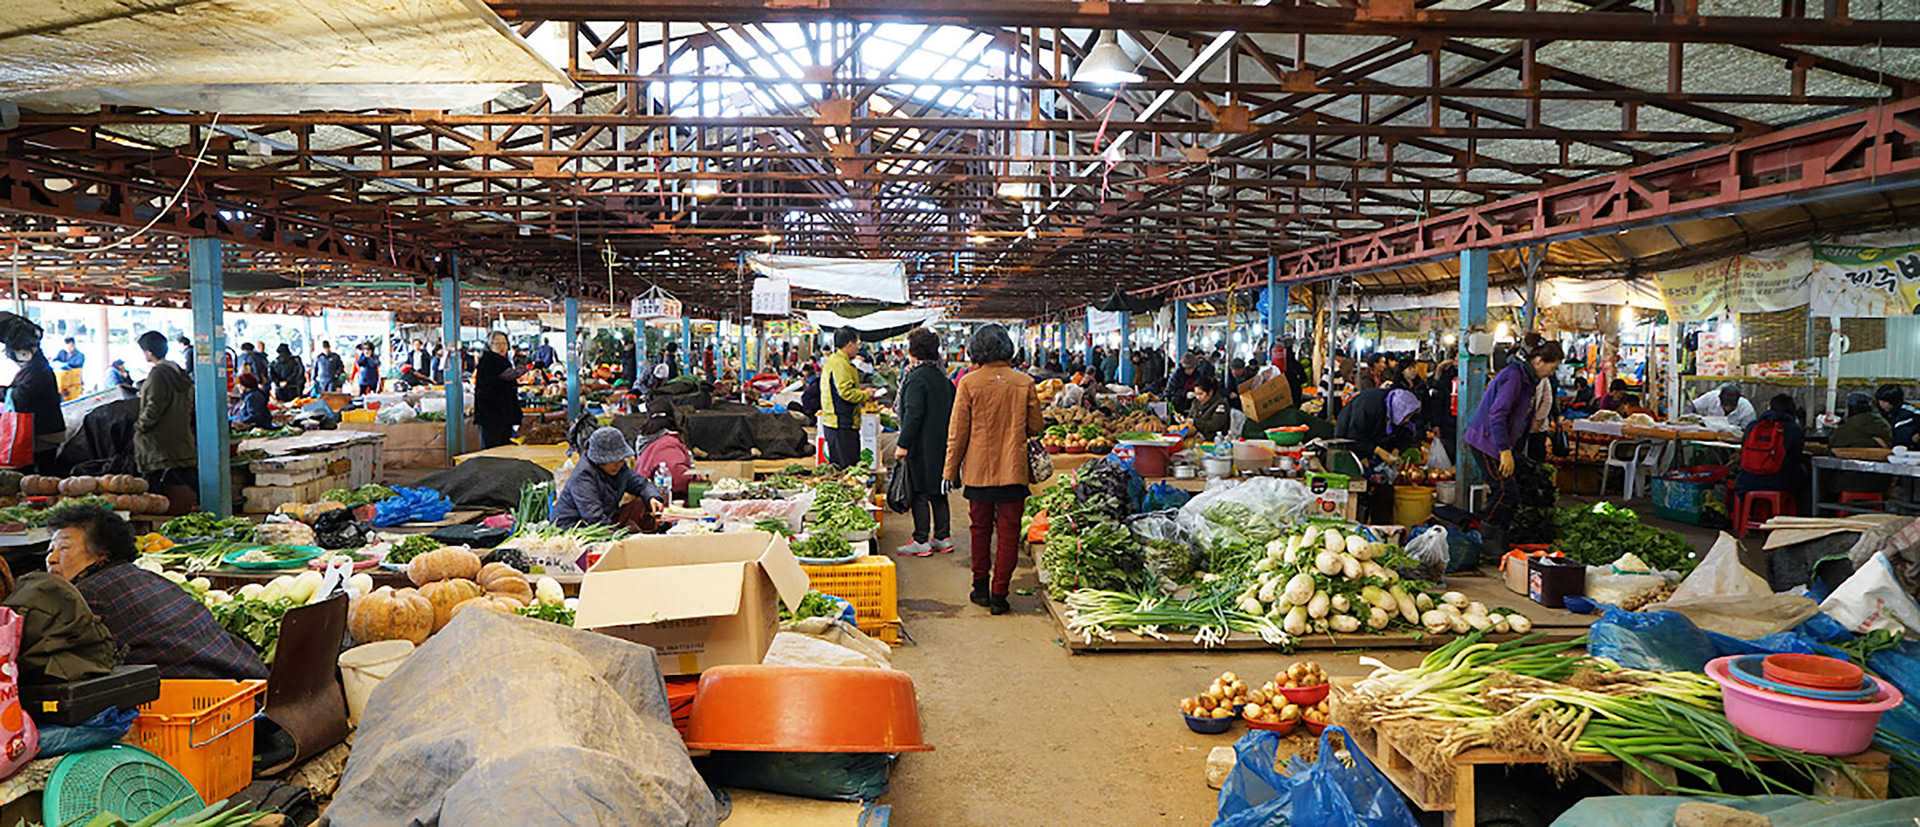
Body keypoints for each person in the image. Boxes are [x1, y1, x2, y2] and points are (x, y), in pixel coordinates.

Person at [45, 504, 265, 679]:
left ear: (102, 554)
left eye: (64, 548)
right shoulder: (141, 576)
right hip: (252, 684)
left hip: (212, 702)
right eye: (50, 549)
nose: (51, 559)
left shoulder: (88, 595)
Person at [943, 324, 1042, 616]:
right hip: (1013, 469)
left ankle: (980, 588)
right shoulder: (1024, 382)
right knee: (1009, 532)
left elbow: (958, 433)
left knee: (980, 529)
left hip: (979, 471)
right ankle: (1000, 594)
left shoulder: (969, 383)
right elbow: (1036, 426)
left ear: (976, 350)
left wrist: (950, 471)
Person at [1463, 334, 1564, 555]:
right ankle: (1484, 539)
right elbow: (1497, 415)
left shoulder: (1527, 378)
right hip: (1488, 441)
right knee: (1505, 491)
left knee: (1507, 491)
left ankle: (1495, 540)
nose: (1552, 372)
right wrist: (1504, 451)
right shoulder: (1515, 376)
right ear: (1538, 361)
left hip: (1499, 442)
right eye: (1552, 367)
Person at [894, 328, 955, 557]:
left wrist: (903, 444)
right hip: (941, 445)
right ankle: (942, 537)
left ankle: (920, 540)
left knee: (919, 491)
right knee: (939, 491)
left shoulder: (916, 378)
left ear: (913, 351)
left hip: (921, 446)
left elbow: (914, 414)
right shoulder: (943, 379)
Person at [551, 427, 667, 530]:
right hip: (575, 526)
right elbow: (594, 517)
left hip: (608, 517)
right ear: (598, 461)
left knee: (641, 503)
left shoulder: (621, 468)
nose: (618, 465)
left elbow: (641, 484)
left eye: (621, 460)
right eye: (613, 461)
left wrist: (652, 497)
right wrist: (617, 536)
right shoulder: (583, 476)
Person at [134, 332, 195, 507]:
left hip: (158, 438)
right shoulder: (178, 372)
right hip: (178, 434)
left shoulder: (158, 374)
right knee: (183, 474)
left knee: (153, 482)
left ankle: (156, 512)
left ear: (149, 352)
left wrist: (141, 426)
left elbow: (154, 405)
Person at [0, 315, 63, 473]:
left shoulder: (36, 370)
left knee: (39, 477)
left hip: (42, 435)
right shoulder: (36, 366)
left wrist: (3, 392)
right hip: (43, 431)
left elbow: (21, 397)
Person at [1734, 394, 1806, 498]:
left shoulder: (1753, 426)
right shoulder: (1794, 429)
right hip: (1779, 484)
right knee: (1804, 472)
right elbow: (1796, 457)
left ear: (1770, 407)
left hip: (1745, 482)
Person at [819, 329, 871, 469]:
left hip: (838, 423)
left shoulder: (836, 361)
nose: (858, 348)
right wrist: (867, 395)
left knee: (842, 468)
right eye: (857, 344)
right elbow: (845, 393)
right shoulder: (840, 363)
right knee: (847, 469)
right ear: (849, 344)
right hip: (841, 424)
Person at [1336, 387, 1423, 467]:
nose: (1407, 420)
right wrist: (1377, 451)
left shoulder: (1394, 411)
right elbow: (1355, 435)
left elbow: (1403, 433)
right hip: (1348, 438)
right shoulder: (1368, 408)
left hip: (1370, 441)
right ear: (1398, 412)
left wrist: (1396, 450)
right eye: (1406, 417)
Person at [1831, 391, 1894, 497]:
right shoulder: (1883, 425)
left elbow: (1831, 450)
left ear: (1849, 408)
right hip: (1881, 482)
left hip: (1849, 483)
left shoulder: (1845, 428)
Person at [474, 330, 525, 450]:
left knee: (503, 445)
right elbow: (506, 375)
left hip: (502, 412)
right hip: (492, 413)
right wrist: (522, 369)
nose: (501, 346)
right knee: (493, 447)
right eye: (497, 343)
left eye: (504, 343)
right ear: (489, 345)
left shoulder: (502, 360)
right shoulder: (489, 360)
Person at [633, 399, 695, 498]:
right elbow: (677, 477)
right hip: (663, 499)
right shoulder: (667, 444)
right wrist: (697, 479)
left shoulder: (647, 440)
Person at [1689, 383, 1756, 429]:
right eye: (1725, 405)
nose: (1728, 408)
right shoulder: (1711, 397)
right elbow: (1691, 406)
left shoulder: (1747, 409)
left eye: (1732, 406)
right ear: (1719, 398)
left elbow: (1748, 430)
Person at [1875, 384, 1920, 450]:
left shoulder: (1911, 412)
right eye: (1880, 401)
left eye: (1885, 401)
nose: (1881, 404)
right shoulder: (1880, 414)